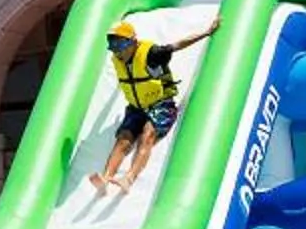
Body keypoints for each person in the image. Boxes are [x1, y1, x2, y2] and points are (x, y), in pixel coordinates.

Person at [90, 15, 222, 194]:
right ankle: (106, 178)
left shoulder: (152, 53)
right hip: (136, 107)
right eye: (112, 47)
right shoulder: (118, 59)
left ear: (132, 42)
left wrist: (206, 33)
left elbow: (178, 45)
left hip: (162, 103)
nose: (117, 52)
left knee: (148, 134)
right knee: (123, 139)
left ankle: (129, 177)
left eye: (120, 46)